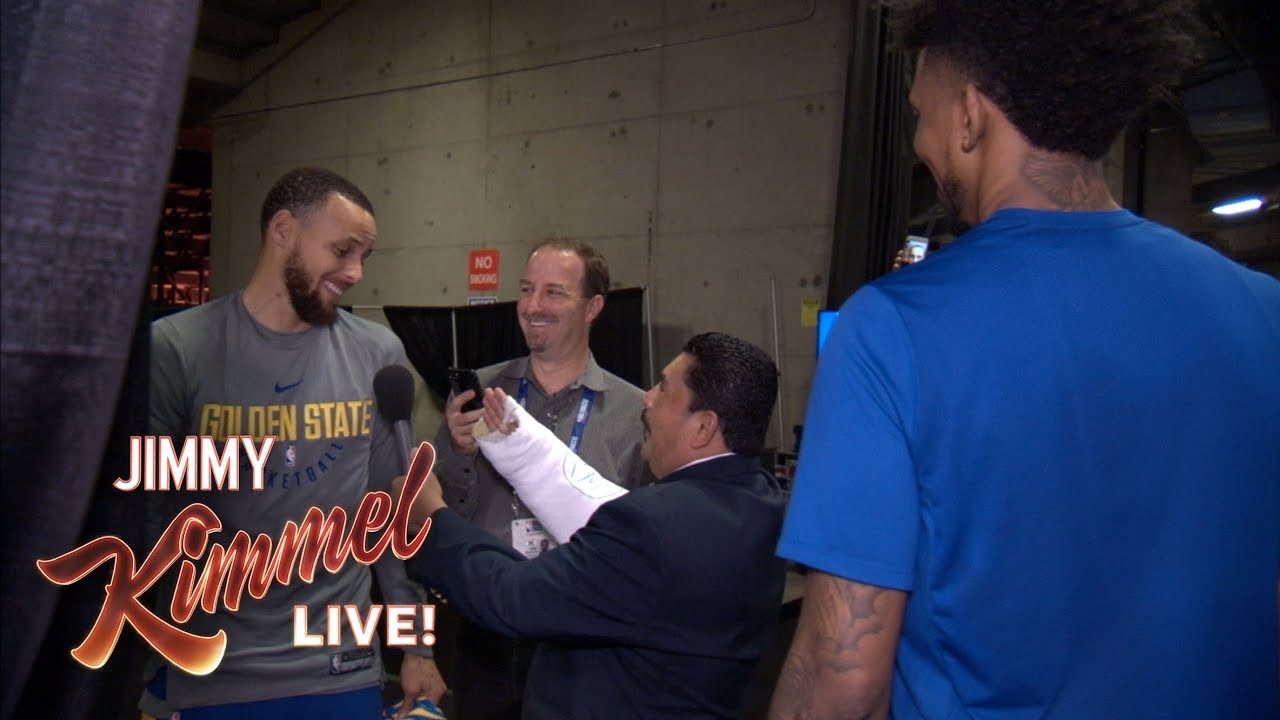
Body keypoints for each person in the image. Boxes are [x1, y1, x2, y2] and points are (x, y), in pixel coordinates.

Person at [770, 2, 1280, 719]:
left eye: (922, 113)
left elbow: (840, 676)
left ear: (971, 116)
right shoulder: (1263, 310)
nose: (920, 141)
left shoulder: (892, 329)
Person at [144, 167, 444, 719]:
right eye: (343, 250)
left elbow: (394, 516)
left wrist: (417, 648)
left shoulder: (377, 353)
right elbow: (142, 519)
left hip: (339, 665)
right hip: (211, 671)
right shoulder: (177, 348)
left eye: (364, 257)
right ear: (283, 229)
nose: (354, 272)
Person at [398, 332, 788, 718]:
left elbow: (513, 597)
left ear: (703, 428)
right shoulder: (760, 502)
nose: (646, 398)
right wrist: (516, 446)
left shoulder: (654, 527)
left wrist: (432, 517)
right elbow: (604, 508)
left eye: (664, 390)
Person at [427, 237, 650, 718]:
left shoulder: (635, 412)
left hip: (581, 637)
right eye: (527, 290)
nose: (532, 306)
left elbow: (645, 540)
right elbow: (440, 518)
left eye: (553, 292)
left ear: (593, 307)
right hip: (486, 626)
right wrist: (462, 454)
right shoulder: (477, 395)